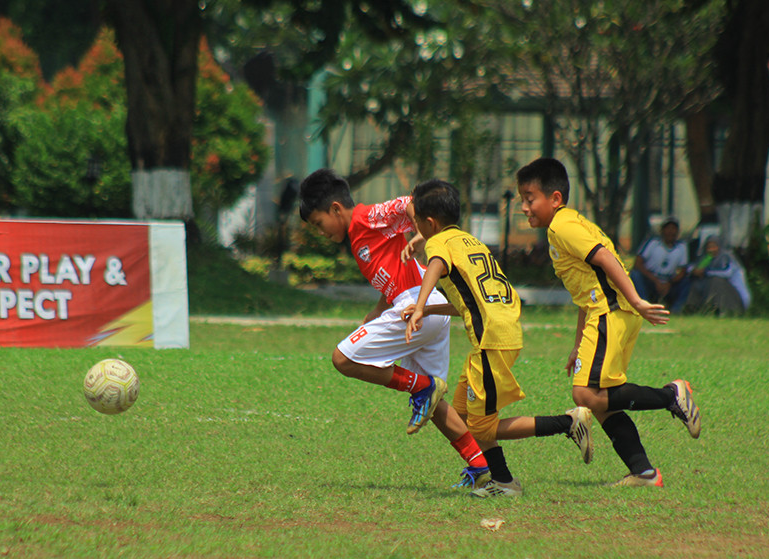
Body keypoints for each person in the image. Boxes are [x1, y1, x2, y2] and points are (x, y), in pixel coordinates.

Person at [298, 168, 491, 489]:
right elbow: (391, 269)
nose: (320, 231)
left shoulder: (363, 218)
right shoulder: (361, 235)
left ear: (335, 208)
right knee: (435, 406)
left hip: (415, 308)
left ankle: (421, 385)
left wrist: (422, 234)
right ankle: (480, 468)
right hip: (424, 310)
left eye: (319, 223)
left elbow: (408, 203)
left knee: (342, 359)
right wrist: (377, 309)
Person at [515, 157, 701, 487]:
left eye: (530, 199)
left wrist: (638, 300)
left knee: (584, 395)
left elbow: (605, 257)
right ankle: (643, 472)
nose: (525, 207)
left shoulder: (562, 226)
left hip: (610, 314)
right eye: (523, 200)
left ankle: (671, 395)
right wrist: (577, 345)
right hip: (607, 315)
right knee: (601, 401)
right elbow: (586, 288)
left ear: (555, 198)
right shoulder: (567, 224)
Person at [404, 178, 594, 498]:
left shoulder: (438, 245)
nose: (415, 230)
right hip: (497, 334)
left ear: (430, 223)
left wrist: (421, 305)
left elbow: (435, 264)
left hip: (491, 340)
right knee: (463, 415)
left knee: (482, 428)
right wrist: (430, 306)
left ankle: (564, 426)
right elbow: (470, 300)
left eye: (416, 224)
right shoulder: (470, 242)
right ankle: (500, 479)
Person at [628, 216, 691, 311]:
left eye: (673, 229)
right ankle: (644, 306)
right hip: (651, 279)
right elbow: (638, 263)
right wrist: (655, 280)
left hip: (669, 281)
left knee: (687, 280)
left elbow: (683, 271)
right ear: (662, 230)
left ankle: (677, 309)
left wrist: (669, 283)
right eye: (668, 228)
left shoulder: (682, 247)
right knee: (635, 275)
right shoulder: (652, 243)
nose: (670, 232)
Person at [683, 236, 752, 315]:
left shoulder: (727, 257)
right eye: (709, 247)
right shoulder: (706, 258)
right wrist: (694, 270)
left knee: (715, 280)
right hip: (712, 288)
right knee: (696, 282)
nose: (711, 250)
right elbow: (692, 267)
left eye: (714, 247)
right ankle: (693, 308)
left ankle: (722, 310)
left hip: (735, 296)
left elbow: (727, 273)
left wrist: (706, 272)